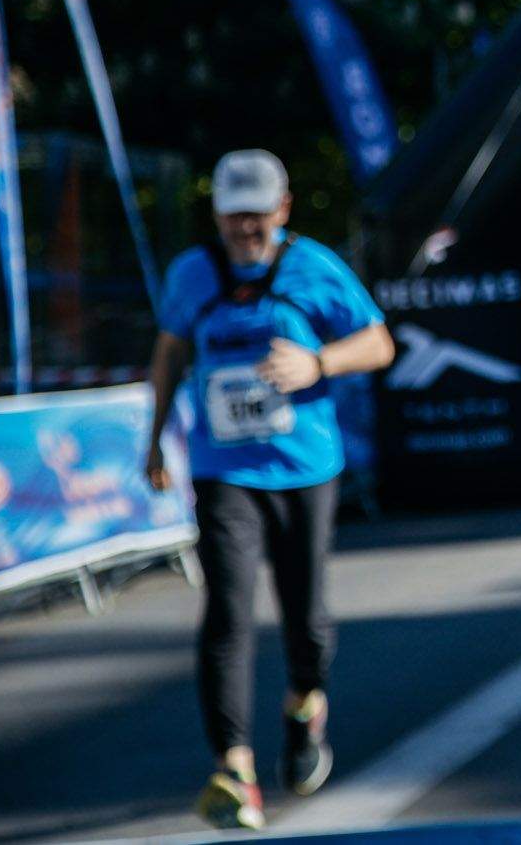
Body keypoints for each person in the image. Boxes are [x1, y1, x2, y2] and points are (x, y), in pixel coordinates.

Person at [142, 149, 396, 830]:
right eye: (233, 218)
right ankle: (235, 767)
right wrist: (156, 436)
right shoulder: (194, 274)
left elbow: (378, 343)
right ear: (219, 216)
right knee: (227, 611)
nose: (246, 230)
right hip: (224, 471)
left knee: (305, 617)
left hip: (306, 469)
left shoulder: (314, 266)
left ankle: (306, 702)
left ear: (282, 210)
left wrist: (318, 359)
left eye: (258, 216)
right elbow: (170, 350)